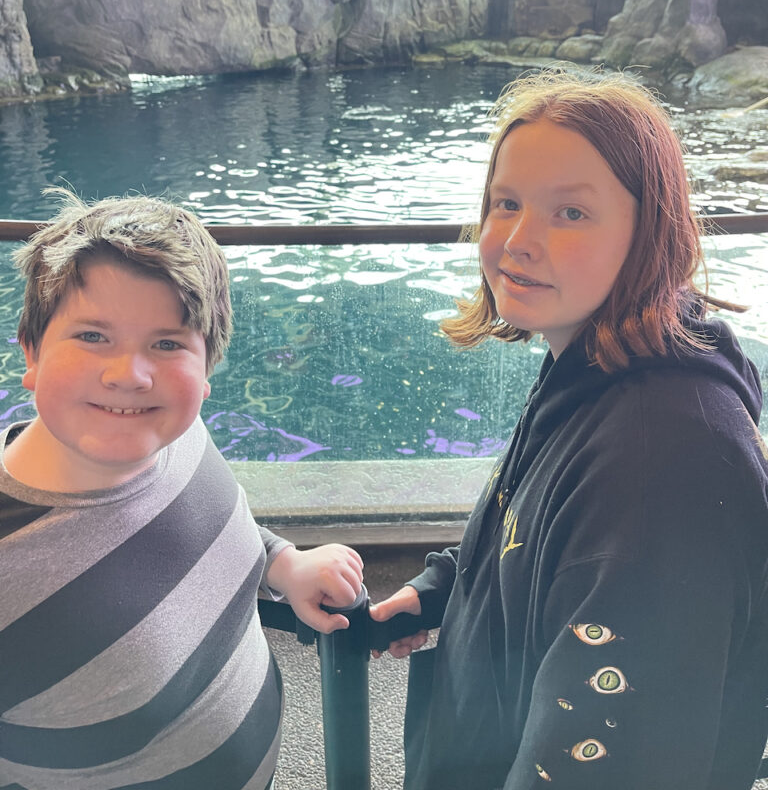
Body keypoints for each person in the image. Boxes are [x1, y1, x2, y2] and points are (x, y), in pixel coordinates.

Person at [370, 70, 768, 790]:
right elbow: (545, 536)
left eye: (571, 214)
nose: (518, 241)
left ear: (649, 232)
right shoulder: (594, 365)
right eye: (507, 203)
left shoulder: (665, 463)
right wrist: (448, 588)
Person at [0, 190, 363, 790]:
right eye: (92, 336)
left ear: (206, 368)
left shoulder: (179, 436)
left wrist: (282, 564)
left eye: (167, 344)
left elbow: (212, 526)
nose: (130, 374)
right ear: (31, 353)